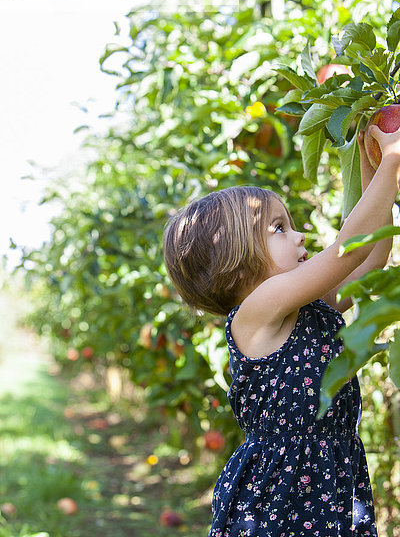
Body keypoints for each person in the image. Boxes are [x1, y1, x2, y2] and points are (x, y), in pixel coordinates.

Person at [162, 124, 400, 537]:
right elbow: (349, 249)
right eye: (278, 229)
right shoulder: (256, 311)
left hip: (331, 478)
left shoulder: (307, 307)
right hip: (285, 496)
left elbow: (371, 255)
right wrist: (394, 159)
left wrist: (372, 161)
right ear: (235, 261)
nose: (300, 234)